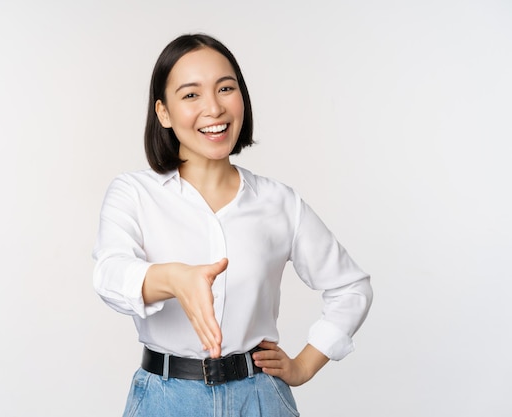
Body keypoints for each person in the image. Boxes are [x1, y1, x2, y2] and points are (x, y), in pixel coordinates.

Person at [92, 33, 373, 417]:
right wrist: (175, 279)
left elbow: (350, 287)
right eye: (191, 95)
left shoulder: (279, 202)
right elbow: (109, 273)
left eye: (226, 88)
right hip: (164, 399)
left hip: (260, 398)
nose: (214, 108)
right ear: (164, 113)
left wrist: (305, 364)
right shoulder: (134, 193)